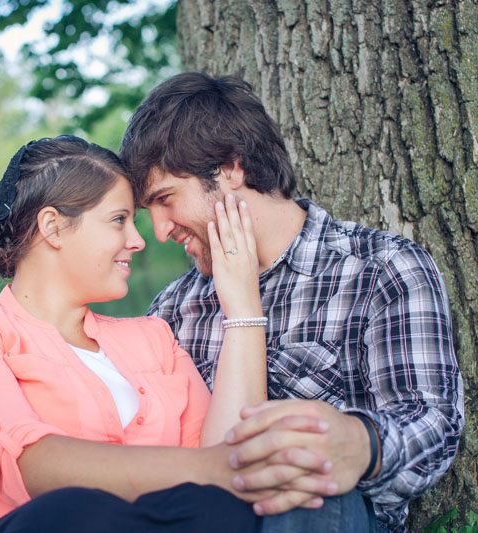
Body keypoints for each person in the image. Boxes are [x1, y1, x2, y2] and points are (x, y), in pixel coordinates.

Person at [0, 135, 328, 532]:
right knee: (72, 508)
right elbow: (30, 466)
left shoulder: (153, 338)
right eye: (119, 220)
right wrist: (215, 469)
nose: (138, 241)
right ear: (52, 227)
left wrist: (242, 306)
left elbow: (225, 463)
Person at [118, 72, 465, 532]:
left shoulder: (379, 269)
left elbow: (431, 420)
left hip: (330, 513)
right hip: (204, 515)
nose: (160, 232)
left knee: (301, 486)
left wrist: (362, 444)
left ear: (230, 168)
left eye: (165, 199)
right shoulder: (174, 309)